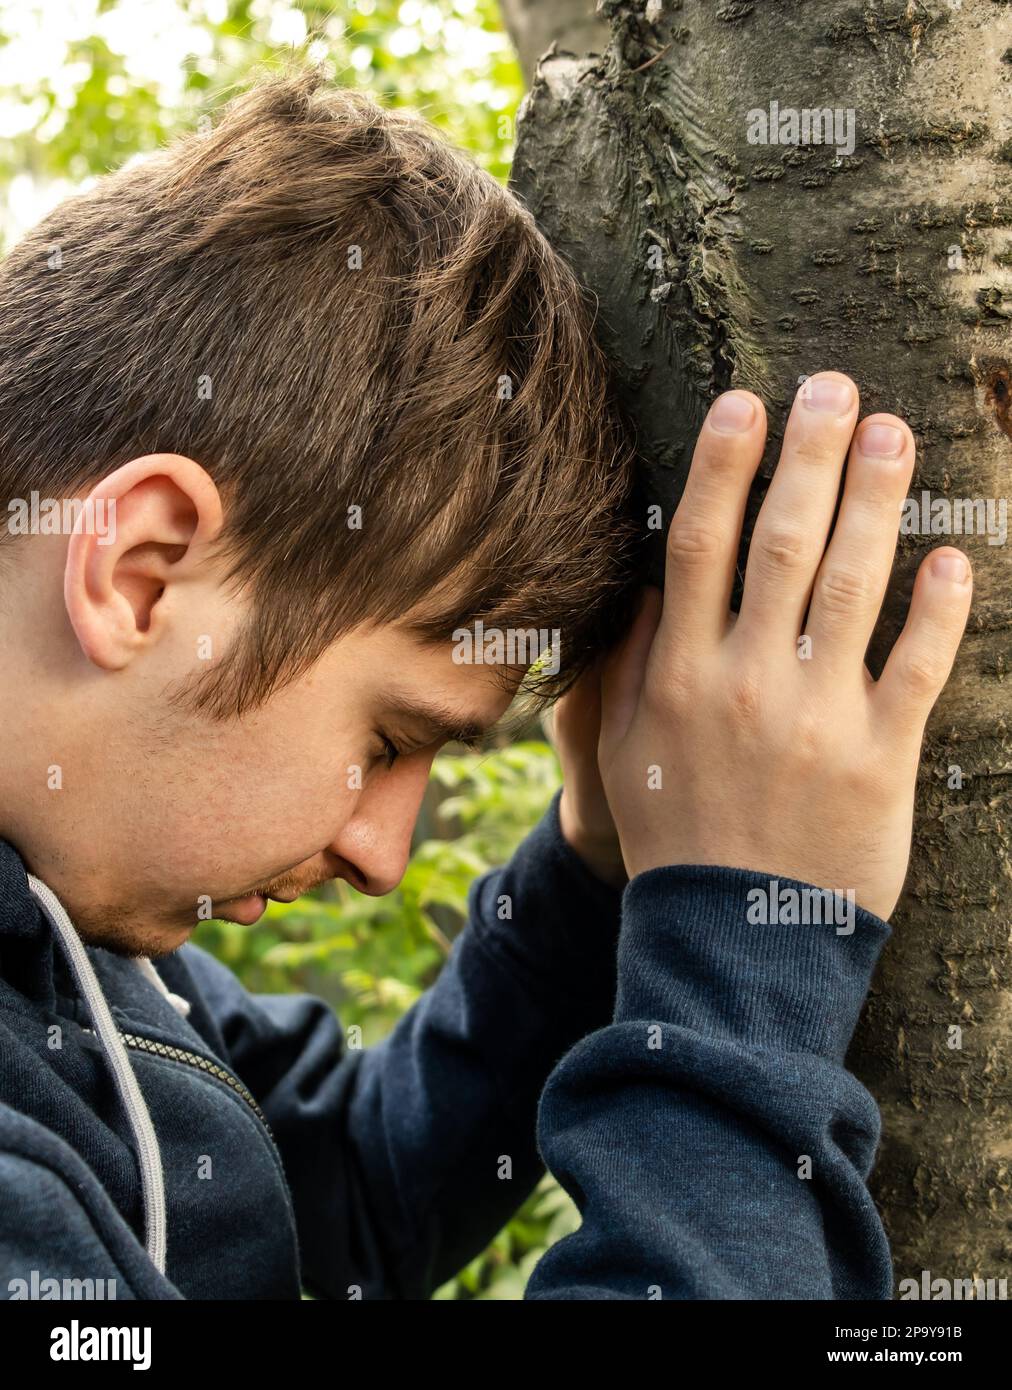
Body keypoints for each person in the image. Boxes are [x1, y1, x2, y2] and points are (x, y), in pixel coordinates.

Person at [0, 70, 971, 1300]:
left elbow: (336, 1202)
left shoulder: (69, 909)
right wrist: (743, 962)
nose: (383, 853)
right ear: (143, 575)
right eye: (392, 733)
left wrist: (588, 868)